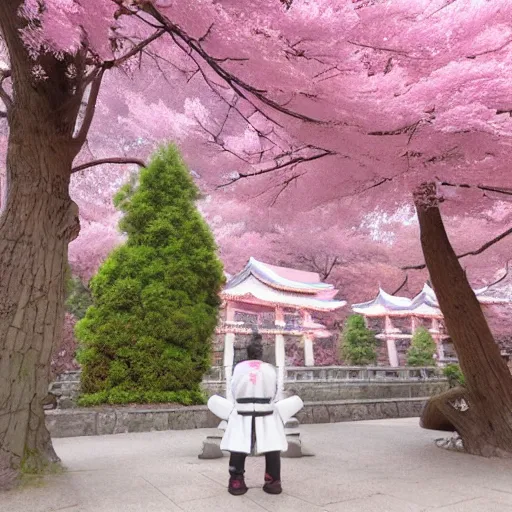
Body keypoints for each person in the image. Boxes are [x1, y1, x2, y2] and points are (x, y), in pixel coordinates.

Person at [207, 333, 304, 496]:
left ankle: (236, 482)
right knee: (272, 447)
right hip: (266, 411)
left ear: (247, 353)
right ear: (261, 354)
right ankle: (273, 482)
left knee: (238, 446)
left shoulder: (239, 368)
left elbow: (233, 389)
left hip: (241, 411)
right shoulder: (270, 369)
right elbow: (274, 391)